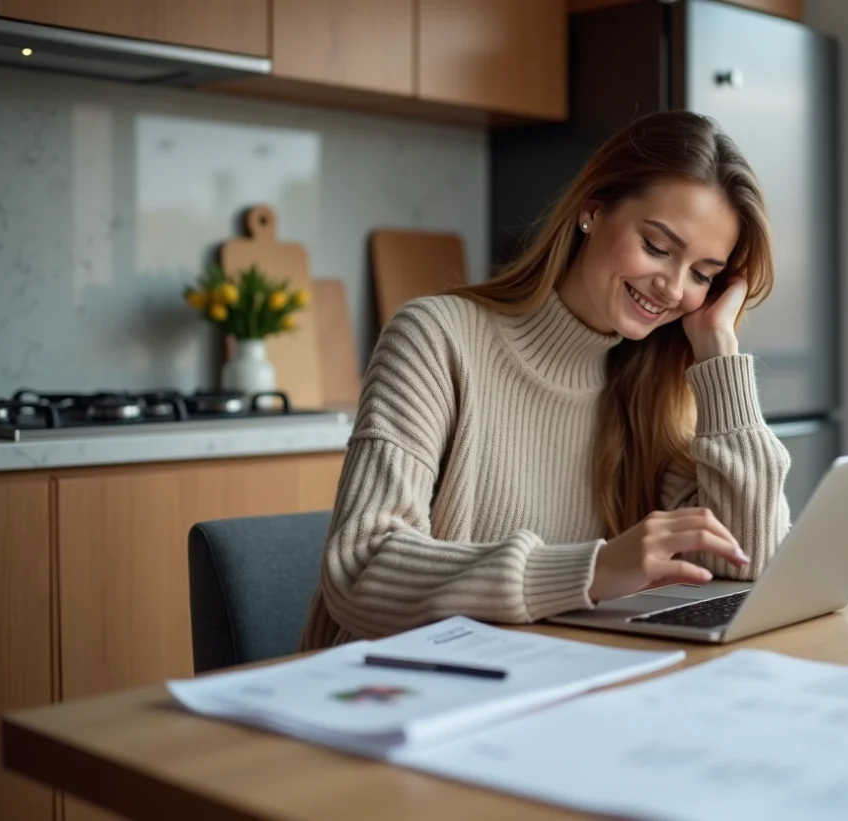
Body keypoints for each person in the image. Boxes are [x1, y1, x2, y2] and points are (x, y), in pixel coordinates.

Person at [299, 110, 793, 650]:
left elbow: (748, 560)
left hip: (540, 679)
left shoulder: (654, 387)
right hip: (386, 693)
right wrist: (591, 570)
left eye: (702, 274)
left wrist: (718, 353)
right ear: (593, 209)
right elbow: (361, 569)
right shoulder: (436, 340)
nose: (674, 288)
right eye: (657, 247)